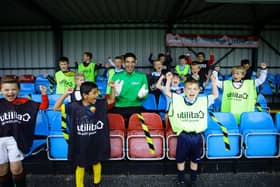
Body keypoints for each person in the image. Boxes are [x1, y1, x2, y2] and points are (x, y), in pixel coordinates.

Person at [53, 81, 115, 187]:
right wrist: (65, 94)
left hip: (95, 141)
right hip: (80, 143)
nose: (97, 95)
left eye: (97, 92)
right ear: (85, 95)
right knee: (80, 164)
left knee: (96, 162)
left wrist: (113, 88)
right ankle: (79, 185)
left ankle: (97, 183)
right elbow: (56, 107)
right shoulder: (74, 106)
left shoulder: (99, 104)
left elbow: (112, 100)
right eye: (94, 93)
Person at [164, 72, 218, 187]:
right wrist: (168, 80)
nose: (191, 91)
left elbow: (215, 95)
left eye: (194, 89)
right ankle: (181, 180)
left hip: (197, 136)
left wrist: (213, 82)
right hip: (183, 135)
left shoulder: (203, 101)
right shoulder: (178, 99)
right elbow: (167, 92)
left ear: (199, 91)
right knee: (180, 160)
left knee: (195, 160)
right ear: (184, 90)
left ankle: (193, 181)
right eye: (189, 89)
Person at [0, 77, 48, 187]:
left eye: (13, 89)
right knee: (2, 171)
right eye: (6, 90)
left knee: (16, 169)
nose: (10, 92)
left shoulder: (24, 102)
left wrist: (44, 94)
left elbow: (43, 106)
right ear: (1, 91)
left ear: (18, 90)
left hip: (16, 139)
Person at [110, 52, 148, 121]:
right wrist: (115, 93)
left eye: (132, 62)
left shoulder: (142, 76)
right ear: (123, 63)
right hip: (119, 107)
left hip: (136, 106)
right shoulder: (116, 77)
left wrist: (142, 95)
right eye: (127, 62)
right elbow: (111, 98)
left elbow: (145, 96)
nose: (130, 64)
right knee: (107, 118)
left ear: (135, 63)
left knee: (151, 118)